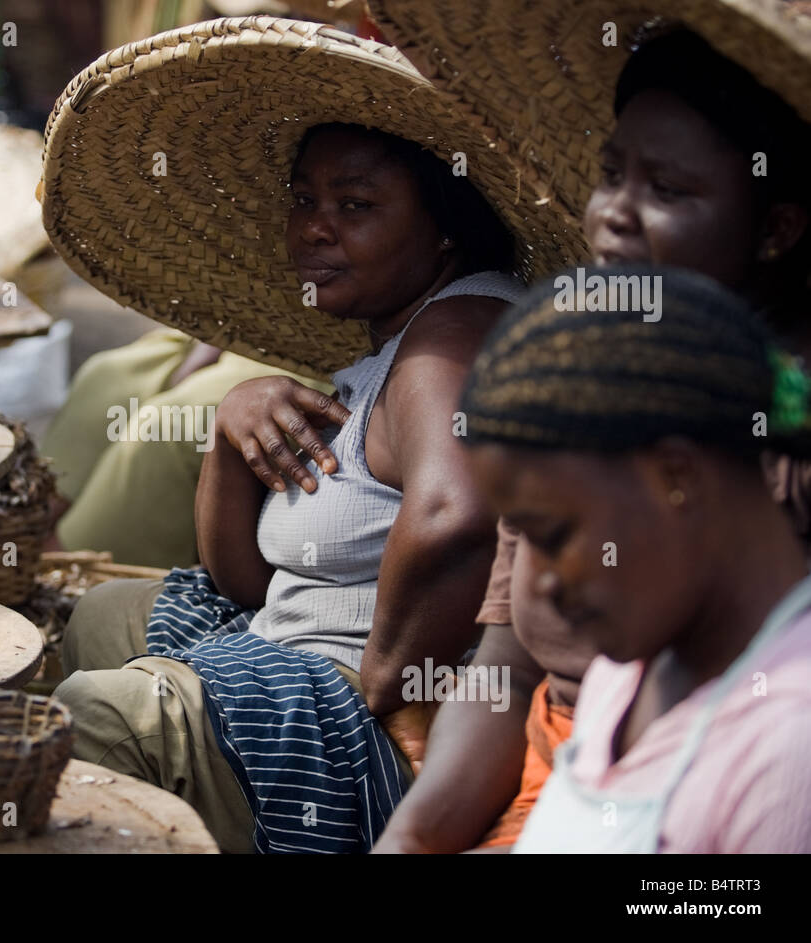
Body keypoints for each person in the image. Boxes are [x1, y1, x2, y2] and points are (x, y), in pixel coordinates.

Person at [38, 18, 580, 852]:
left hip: (358, 714)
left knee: (87, 719)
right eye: (304, 200)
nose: (314, 227)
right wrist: (229, 432)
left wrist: (385, 684)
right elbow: (247, 581)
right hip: (291, 642)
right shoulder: (395, 341)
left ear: (445, 227)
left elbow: (459, 512)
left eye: (355, 205)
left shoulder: (453, 332)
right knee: (106, 613)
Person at [375, 25, 811, 853]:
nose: (613, 212)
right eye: (611, 175)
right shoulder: (576, 391)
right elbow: (504, 667)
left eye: (667, 190)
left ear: (777, 226)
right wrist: (415, 839)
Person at [455, 264, 811, 853]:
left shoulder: (787, 740)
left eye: (554, 534)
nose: (537, 583)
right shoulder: (627, 670)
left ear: (676, 477)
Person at [42, 332, 332, 569]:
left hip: (326, 358)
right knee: (105, 377)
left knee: (164, 428)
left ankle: (71, 570)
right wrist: (212, 344)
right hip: (253, 330)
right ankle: (31, 526)